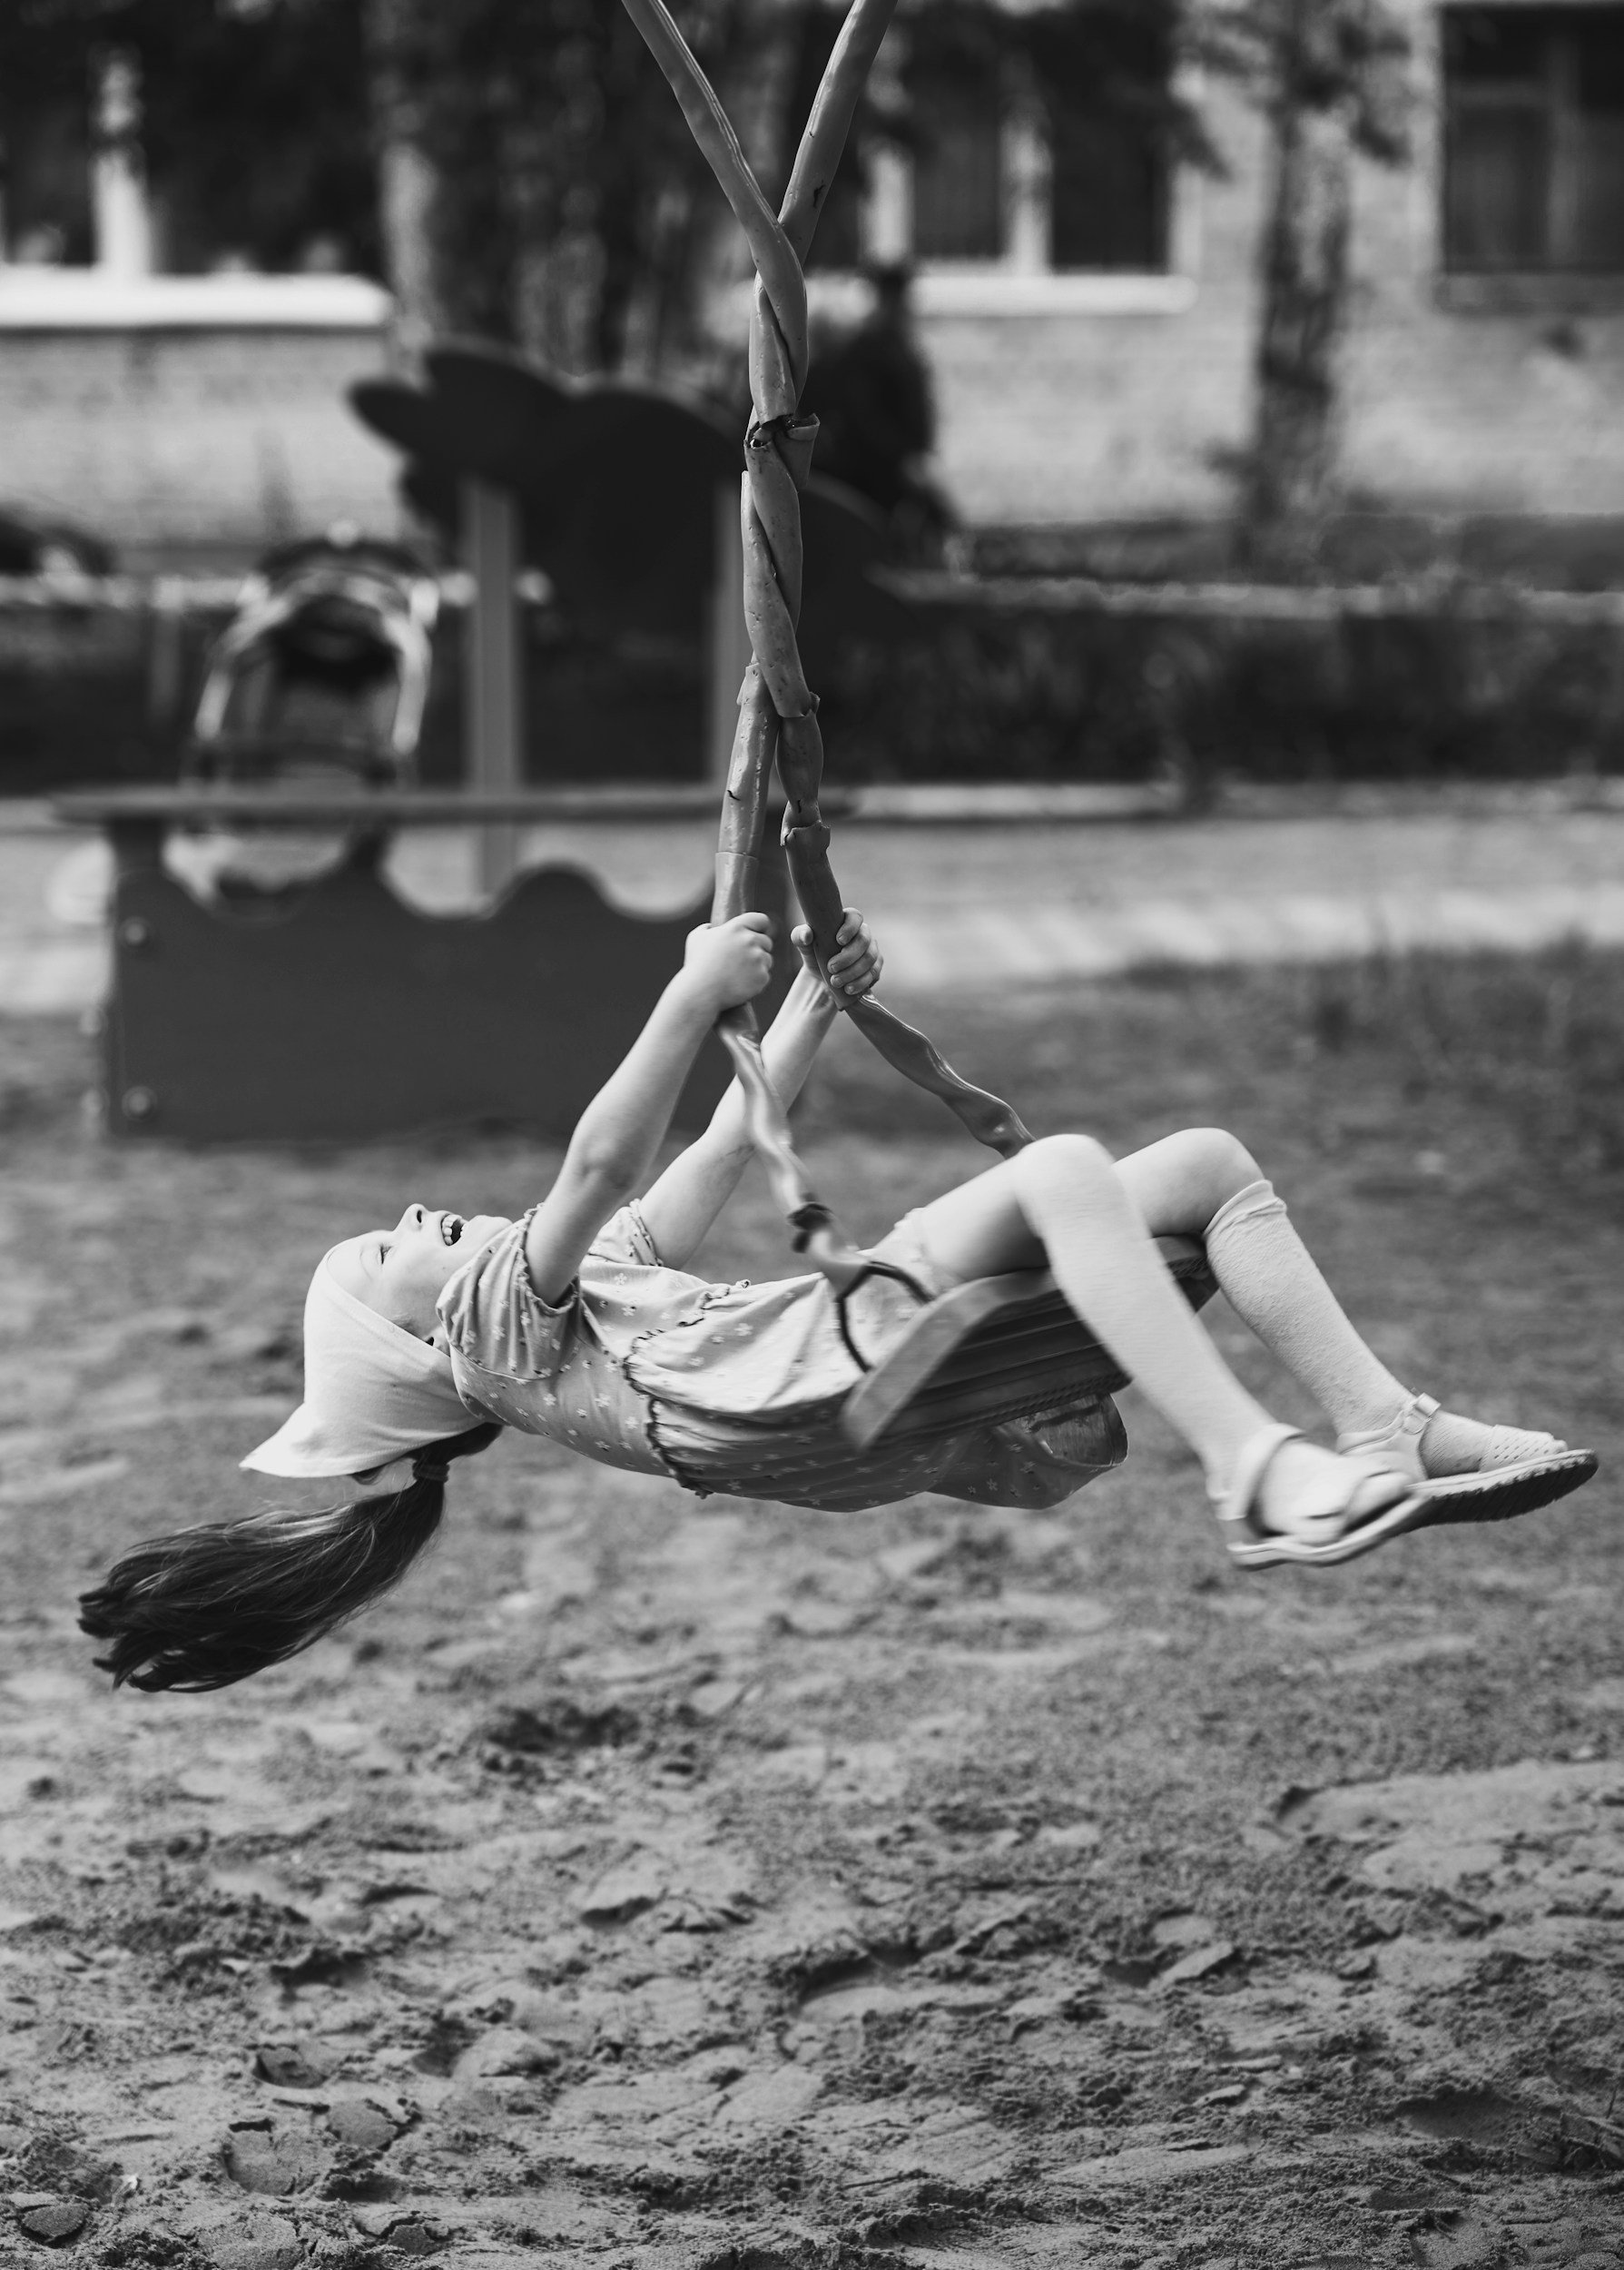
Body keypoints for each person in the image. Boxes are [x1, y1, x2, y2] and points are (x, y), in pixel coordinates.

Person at [80, 910, 1594, 1693]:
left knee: (1199, 1169)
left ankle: (1380, 1428)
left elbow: (715, 1151)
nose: (413, 1223)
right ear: (417, 1336)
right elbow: (602, 1158)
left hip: (798, 1419)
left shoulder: (580, 1305)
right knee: (1067, 1169)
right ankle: (1254, 1470)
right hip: (793, 1374)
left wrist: (801, 1008)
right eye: (388, 1247)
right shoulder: (492, 1330)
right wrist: (686, 991)